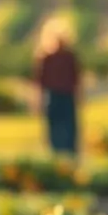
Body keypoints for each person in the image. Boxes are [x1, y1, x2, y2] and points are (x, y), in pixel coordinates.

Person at [34, 18, 81, 155]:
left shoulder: (68, 56)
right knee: (58, 130)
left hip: (64, 97)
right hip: (56, 97)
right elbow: (40, 82)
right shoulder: (47, 58)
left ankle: (66, 157)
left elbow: (76, 79)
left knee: (66, 131)